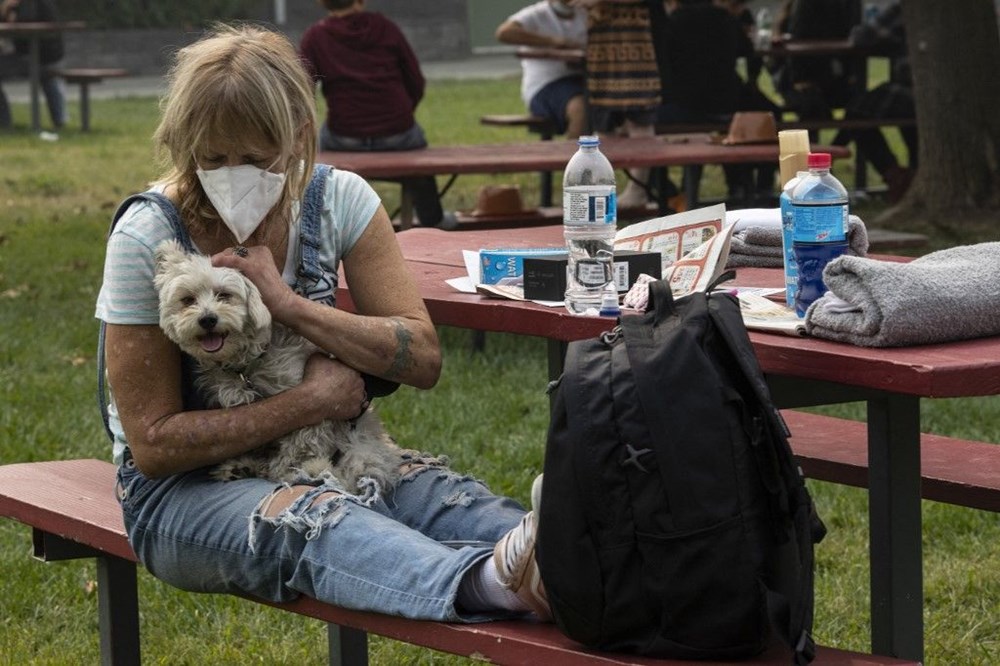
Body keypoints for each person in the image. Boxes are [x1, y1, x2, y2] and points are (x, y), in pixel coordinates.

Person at [95, 23, 549, 626]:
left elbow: (422, 359)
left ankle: (580, 560)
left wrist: (289, 304)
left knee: (453, 504)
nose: (232, 173)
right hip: (187, 490)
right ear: (184, 145)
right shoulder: (147, 235)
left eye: (256, 159)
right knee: (314, 524)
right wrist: (309, 401)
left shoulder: (339, 200)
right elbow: (153, 446)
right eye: (212, 158)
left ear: (299, 135)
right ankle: (492, 582)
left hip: (338, 451)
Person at [299, 0, 457, 230]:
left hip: (344, 134)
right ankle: (433, 220)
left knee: (318, 157)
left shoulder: (316, 36)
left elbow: (302, 87)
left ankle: (321, 225)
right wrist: (399, 114)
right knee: (419, 156)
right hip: (398, 133)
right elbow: (416, 80)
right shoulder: (386, 28)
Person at [572, 0, 669, 209]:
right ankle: (601, 192)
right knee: (604, 119)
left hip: (639, 39)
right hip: (602, 41)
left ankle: (638, 190)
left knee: (639, 115)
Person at [834, 1, 915, 202]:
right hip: (951, 94)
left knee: (857, 112)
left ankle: (895, 175)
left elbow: (863, 37)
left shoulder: (909, 9)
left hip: (914, 91)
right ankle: (906, 177)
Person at [495, 0, 589, 139]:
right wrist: (553, 41)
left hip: (582, 79)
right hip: (546, 85)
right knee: (580, 108)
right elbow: (504, 33)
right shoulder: (536, 14)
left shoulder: (584, 15)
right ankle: (573, 157)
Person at [770, 0, 862, 133]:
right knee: (812, 107)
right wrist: (799, 78)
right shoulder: (805, 6)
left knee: (861, 109)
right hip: (803, 79)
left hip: (829, 78)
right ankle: (826, 149)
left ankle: (832, 148)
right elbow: (798, 38)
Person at [0, 0, 66, 130]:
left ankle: (4, 122)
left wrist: (9, 14)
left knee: (47, 75)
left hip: (40, 56)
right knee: (48, 77)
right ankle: (4, 122)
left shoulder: (31, 3)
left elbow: (25, 22)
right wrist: (5, 11)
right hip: (37, 55)